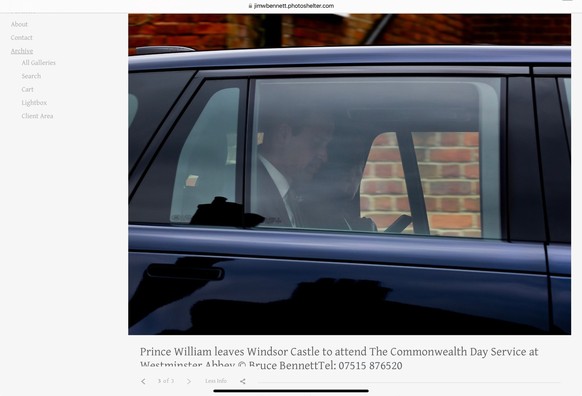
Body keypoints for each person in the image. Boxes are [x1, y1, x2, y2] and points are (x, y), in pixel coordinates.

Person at [252, 105, 334, 227]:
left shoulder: (288, 194)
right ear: (283, 135)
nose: (324, 156)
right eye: (317, 142)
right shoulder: (250, 192)